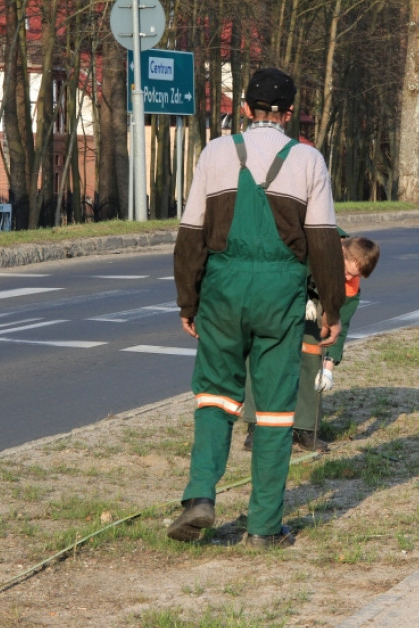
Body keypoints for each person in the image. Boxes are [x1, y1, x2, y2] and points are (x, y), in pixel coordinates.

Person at [169, 67, 345, 549]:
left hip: (223, 289)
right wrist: (332, 309)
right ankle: (265, 527)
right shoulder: (309, 160)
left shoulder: (216, 152)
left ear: (244, 109)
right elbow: (326, 244)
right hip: (280, 293)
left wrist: (189, 299)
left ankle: (200, 495)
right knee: (271, 410)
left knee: (214, 394)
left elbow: (190, 236)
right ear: (289, 115)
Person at [242, 232, 380, 452]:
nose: (347, 279)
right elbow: (283, 267)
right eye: (346, 272)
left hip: (313, 289)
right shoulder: (315, 240)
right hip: (273, 283)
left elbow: (339, 325)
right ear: (340, 254)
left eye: (354, 276)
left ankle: (303, 429)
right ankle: (257, 426)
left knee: (313, 351)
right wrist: (300, 297)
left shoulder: (350, 282)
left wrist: (328, 368)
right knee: (263, 352)